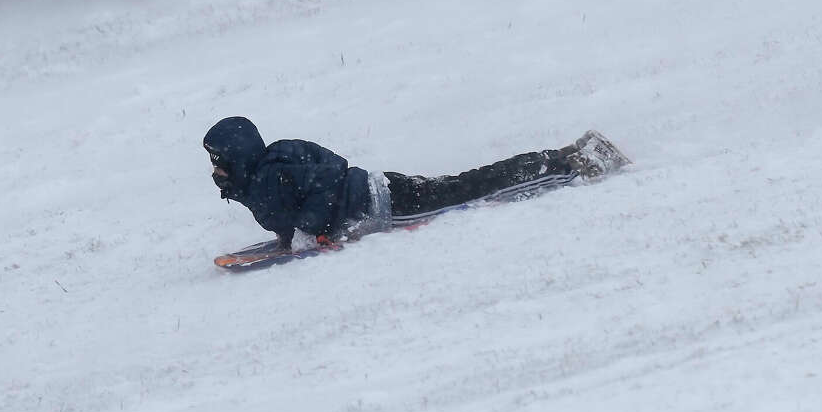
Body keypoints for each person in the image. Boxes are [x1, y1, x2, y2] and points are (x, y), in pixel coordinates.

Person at [202, 116, 630, 249]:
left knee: (479, 191)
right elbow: (287, 209)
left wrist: (317, 227)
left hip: (384, 203)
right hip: (380, 187)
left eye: (219, 162)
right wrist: (294, 234)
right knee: (469, 183)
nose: (215, 170)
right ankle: (566, 157)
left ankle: (574, 164)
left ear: (237, 158)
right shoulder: (264, 172)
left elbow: (327, 177)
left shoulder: (274, 168)